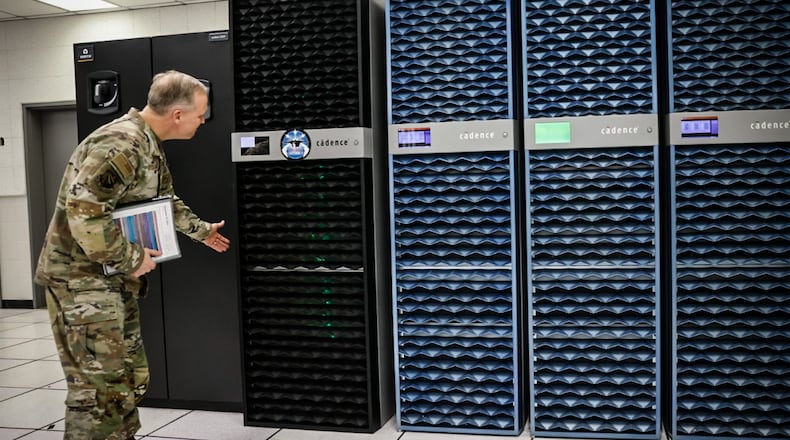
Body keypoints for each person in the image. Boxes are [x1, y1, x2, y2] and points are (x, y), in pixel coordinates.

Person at [34, 70, 230, 440]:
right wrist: (132, 258)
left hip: (109, 281)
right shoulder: (121, 143)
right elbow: (84, 214)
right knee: (98, 393)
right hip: (81, 285)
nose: (203, 120)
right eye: (200, 114)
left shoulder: (147, 143)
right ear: (177, 115)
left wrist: (202, 232)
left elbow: (163, 201)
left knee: (128, 379)